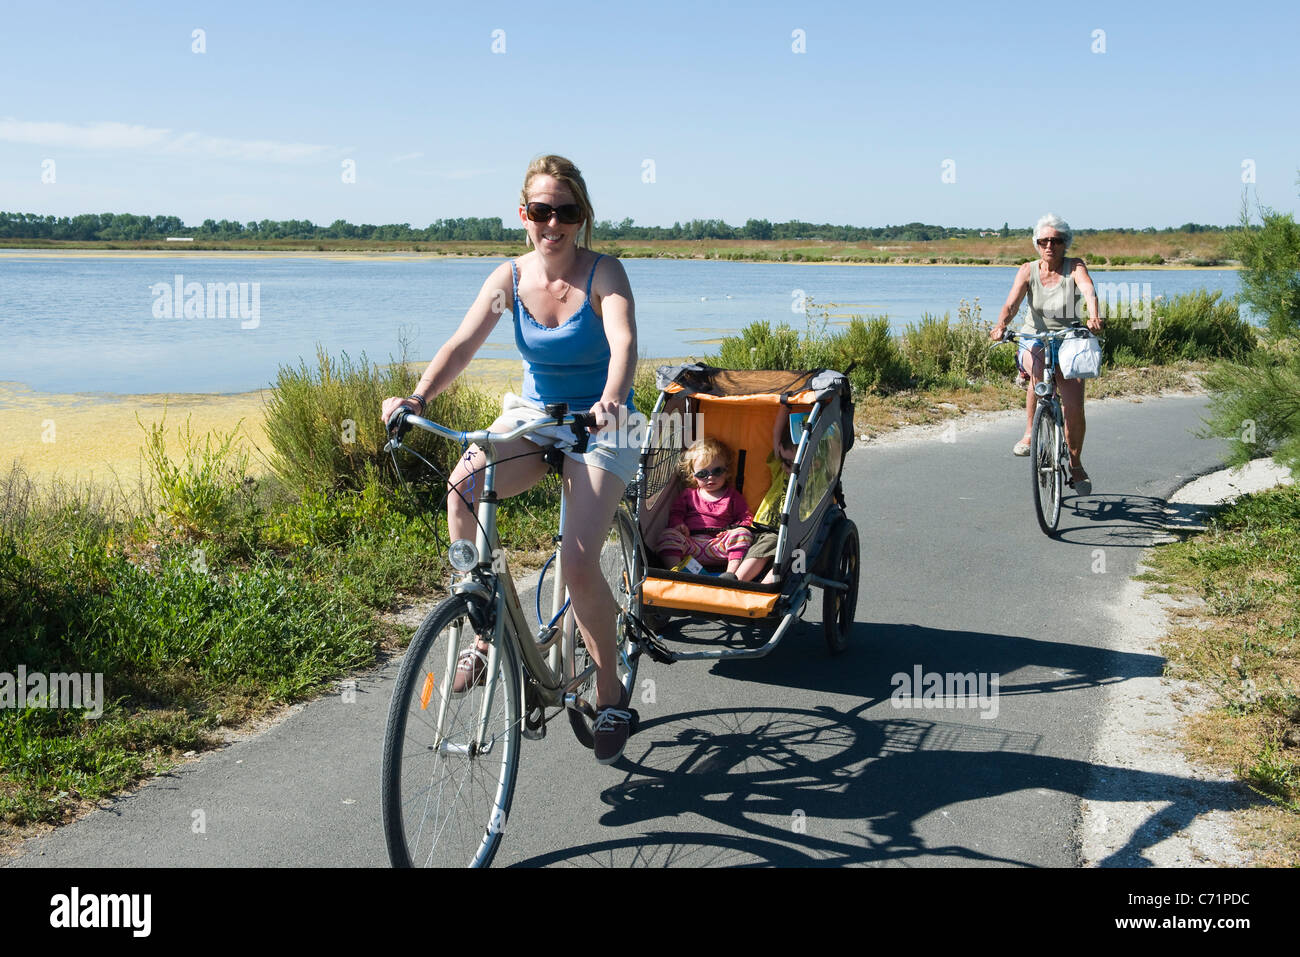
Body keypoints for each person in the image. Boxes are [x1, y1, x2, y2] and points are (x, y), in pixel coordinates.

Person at [380, 155, 639, 765]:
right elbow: (462, 345)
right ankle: (480, 627)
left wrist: (608, 401)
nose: (553, 223)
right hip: (536, 416)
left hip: (601, 423)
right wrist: (416, 397)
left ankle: (610, 690)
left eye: (566, 211)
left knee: (577, 563)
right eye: (541, 210)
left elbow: (624, 341)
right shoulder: (509, 279)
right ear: (524, 215)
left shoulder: (605, 274)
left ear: (581, 218)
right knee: (464, 484)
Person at [990, 213, 1103, 495]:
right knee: (1037, 372)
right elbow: (1012, 302)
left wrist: (1094, 315)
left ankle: (1075, 464)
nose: (1049, 246)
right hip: (1034, 335)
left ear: (1065, 243)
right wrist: (1001, 324)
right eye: (1044, 241)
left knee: (1074, 407)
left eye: (1056, 240)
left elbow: (1088, 290)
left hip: (1068, 337)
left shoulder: (1074, 266)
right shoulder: (1028, 270)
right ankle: (1030, 433)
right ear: (1037, 244)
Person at [657, 437, 754, 578]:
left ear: (727, 472)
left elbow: (745, 516)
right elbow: (676, 513)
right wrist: (678, 524)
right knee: (668, 535)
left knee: (743, 534)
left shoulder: (732, 496)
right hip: (692, 544)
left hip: (720, 545)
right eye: (703, 474)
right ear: (693, 475)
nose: (710, 477)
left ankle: (730, 575)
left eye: (717, 471)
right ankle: (676, 572)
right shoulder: (688, 495)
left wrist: (734, 529)